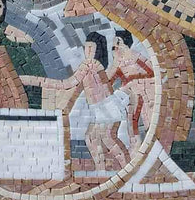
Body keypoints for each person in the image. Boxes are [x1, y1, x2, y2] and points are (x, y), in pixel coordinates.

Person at [26, 32, 130, 170]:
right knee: (95, 138)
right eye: (86, 47)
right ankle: (106, 169)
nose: (87, 51)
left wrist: (34, 80)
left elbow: (67, 84)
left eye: (91, 47)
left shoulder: (90, 64)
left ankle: (124, 167)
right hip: (103, 107)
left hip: (106, 107)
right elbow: (79, 88)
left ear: (98, 50)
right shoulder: (93, 66)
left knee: (104, 138)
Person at [109, 30, 156, 136]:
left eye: (119, 44)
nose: (116, 49)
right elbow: (108, 82)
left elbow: (154, 74)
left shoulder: (136, 57)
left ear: (126, 45)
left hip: (147, 96)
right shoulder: (119, 64)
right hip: (131, 98)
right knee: (131, 123)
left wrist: (133, 83)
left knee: (149, 121)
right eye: (113, 47)